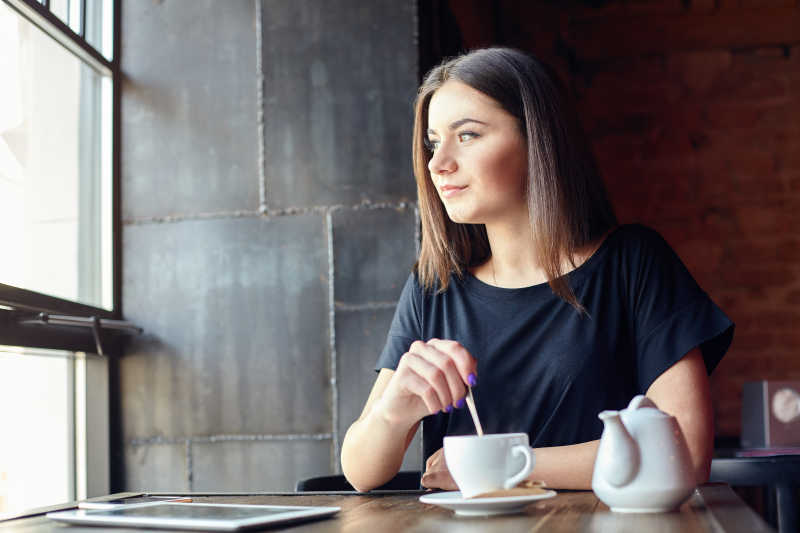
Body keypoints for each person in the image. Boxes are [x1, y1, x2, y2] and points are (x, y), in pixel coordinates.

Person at [340, 47, 734, 493]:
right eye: (433, 142)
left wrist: (502, 465)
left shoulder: (633, 263)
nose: (437, 163)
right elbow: (360, 472)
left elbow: (685, 453)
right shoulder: (433, 289)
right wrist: (394, 411)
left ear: (537, 140)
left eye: (467, 135)